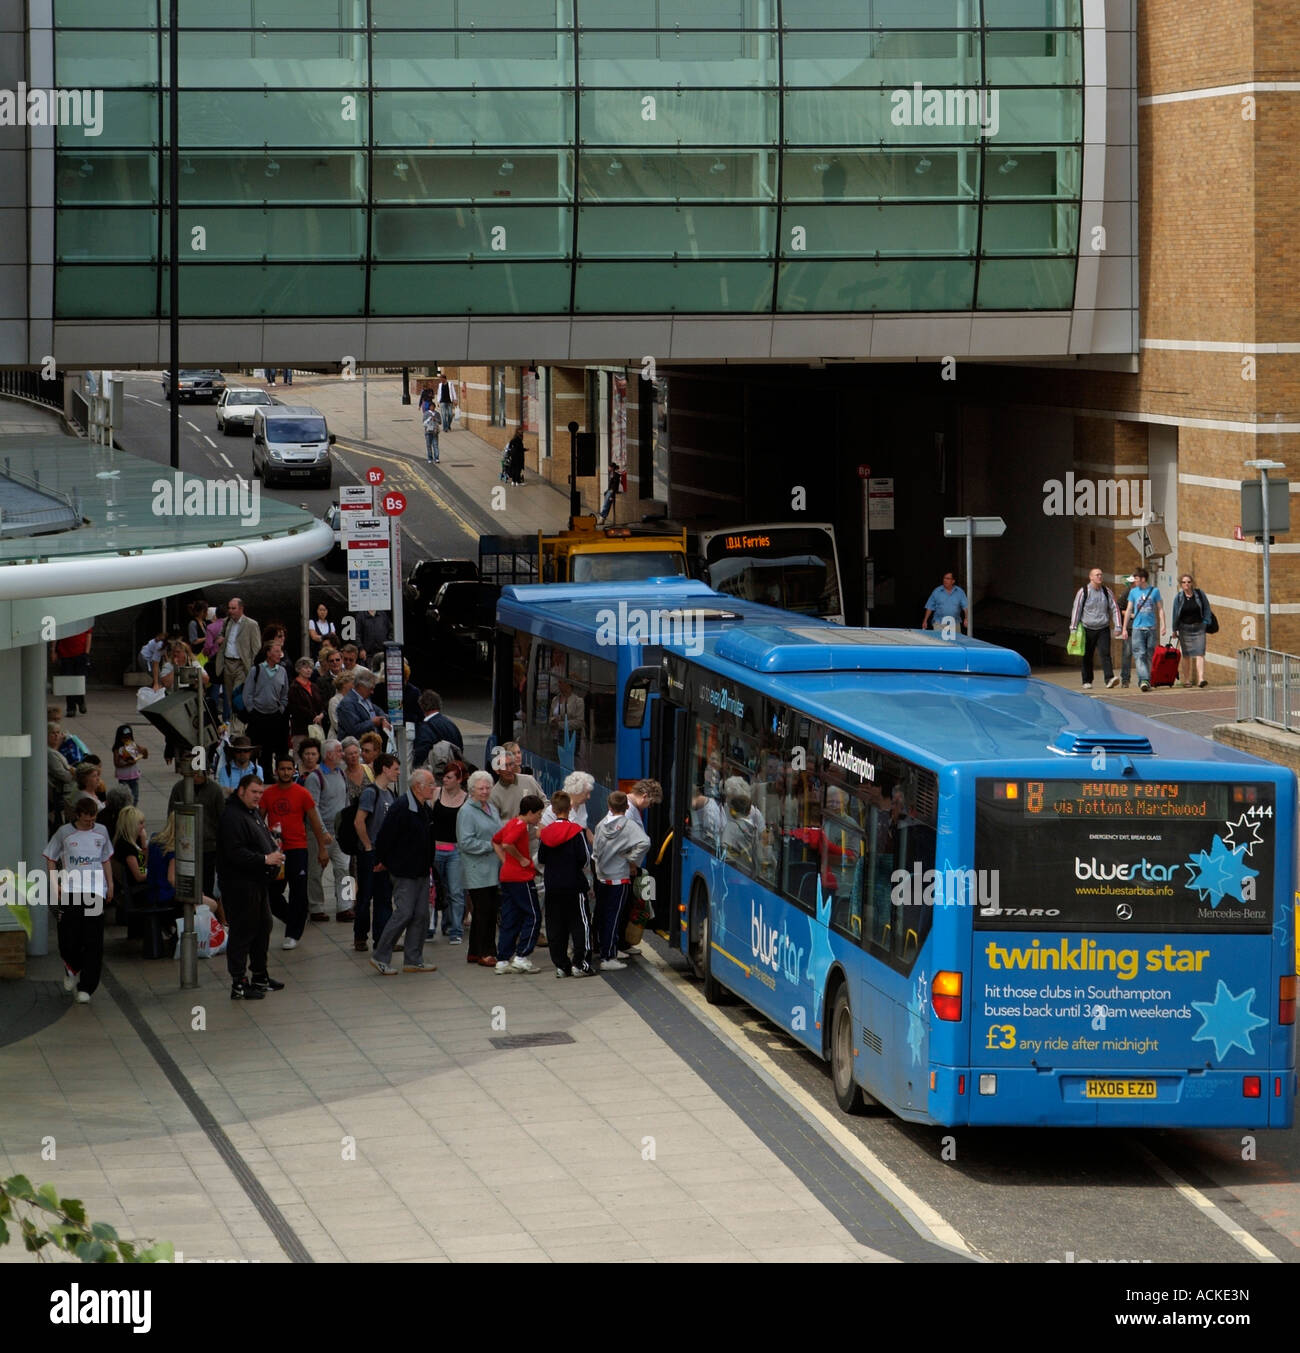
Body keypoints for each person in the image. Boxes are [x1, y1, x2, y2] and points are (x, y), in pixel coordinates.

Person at [217, 775, 285, 1001]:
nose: (258, 796)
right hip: (240, 885)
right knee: (243, 931)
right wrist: (265, 859)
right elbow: (235, 853)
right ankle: (239, 982)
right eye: (254, 792)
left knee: (263, 926)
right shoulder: (232, 817)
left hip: (257, 883)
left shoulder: (251, 812)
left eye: (260, 793)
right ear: (241, 791)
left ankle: (259, 975)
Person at [44, 794, 114, 1004]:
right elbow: (50, 856)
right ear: (77, 815)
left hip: (95, 890)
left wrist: (110, 884)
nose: (90, 823)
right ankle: (71, 967)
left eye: (93, 819)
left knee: (93, 940)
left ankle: (87, 986)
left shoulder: (101, 832)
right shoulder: (64, 833)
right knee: (68, 936)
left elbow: (105, 858)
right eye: (86, 820)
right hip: (71, 889)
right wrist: (54, 882)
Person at [370, 769, 439, 976]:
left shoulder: (424, 807)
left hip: (421, 870)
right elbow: (384, 837)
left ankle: (413, 959)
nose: (434, 788)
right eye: (431, 784)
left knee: (421, 915)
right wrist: (382, 860)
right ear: (418, 787)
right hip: (405, 871)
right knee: (404, 913)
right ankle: (381, 956)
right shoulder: (401, 807)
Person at [261, 754, 332, 951]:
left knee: (299, 893)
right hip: (277, 851)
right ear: (276, 771)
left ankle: (293, 933)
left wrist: (322, 849)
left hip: (298, 849)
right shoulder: (268, 794)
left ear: (294, 771)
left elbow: (315, 822)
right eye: (281, 769)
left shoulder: (302, 793)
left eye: (288, 769)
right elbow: (259, 821)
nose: (285, 772)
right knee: (272, 893)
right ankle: (293, 918)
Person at [591, 791, 650, 972]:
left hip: (603, 878)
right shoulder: (629, 826)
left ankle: (600, 947)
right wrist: (631, 859)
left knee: (601, 915)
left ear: (609, 807)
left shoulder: (601, 825)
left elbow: (596, 853)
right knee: (613, 918)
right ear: (626, 807)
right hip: (619, 878)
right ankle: (609, 956)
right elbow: (645, 842)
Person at [538, 790, 594, 978]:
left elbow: (543, 858)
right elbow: (585, 859)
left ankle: (562, 965)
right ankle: (581, 963)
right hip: (574, 885)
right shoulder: (576, 832)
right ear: (570, 808)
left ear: (552, 809)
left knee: (555, 926)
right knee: (580, 924)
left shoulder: (546, 833)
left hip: (553, 886)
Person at [301, 738, 355, 931]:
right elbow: (312, 808)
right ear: (329, 754)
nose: (342, 754)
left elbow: (346, 800)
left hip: (340, 833)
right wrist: (322, 832)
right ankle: (315, 907)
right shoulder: (315, 778)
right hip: (320, 835)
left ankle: (345, 906)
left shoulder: (340, 773)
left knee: (345, 870)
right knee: (315, 872)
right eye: (339, 751)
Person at [492, 793, 546, 974]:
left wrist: (506, 861)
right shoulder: (521, 826)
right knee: (534, 915)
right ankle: (522, 956)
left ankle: (502, 960)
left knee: (510, 917)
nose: (539, 818)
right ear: (530, 812)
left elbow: (496, 841)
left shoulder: (511, 823)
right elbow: (507, 844)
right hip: (521, 878)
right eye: (538, 814)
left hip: (507, 876)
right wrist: (521, 860)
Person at [355, 752, 399, 953]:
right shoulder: (371, 792)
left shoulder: (390, 793)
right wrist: (367, 846)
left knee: (384, 897)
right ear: (385, 769)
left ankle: (382, 938)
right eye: (395, 769)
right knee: (366, 896)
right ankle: (360, 936)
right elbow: (359, 821)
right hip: (370, 852)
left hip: (386, 853)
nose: (398, 772)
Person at [458, 770, 503, 967]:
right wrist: (491, 846)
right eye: (480, 788)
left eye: (487, 787)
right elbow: (466, 842)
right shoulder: (466, 812)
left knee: (485, 911)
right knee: (486, 912)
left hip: (492, 869)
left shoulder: (490, 807)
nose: (485, 791)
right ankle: (487, 952)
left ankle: (474, 952)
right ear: (472, 790)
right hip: (477, 870)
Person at [168, 766, 225, 898]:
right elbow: (171, 816)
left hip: (209, 848)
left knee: (207, 887)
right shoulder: (179, 788)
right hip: (185, 847)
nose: (194, 776)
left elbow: (222, 818)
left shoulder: (215, 790)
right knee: (188, 888)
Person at [430, 760, 468, 944]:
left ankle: (456, 929)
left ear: (459, 779)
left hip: (455, 851)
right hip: (436, 848)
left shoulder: (466, 799)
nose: (445, 780)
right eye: (444, 776)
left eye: (449, 777)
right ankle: (438, 925)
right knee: (437, 889)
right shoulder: (436, 794)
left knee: (455, 891)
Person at [243, 638, 290, 779]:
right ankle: (252, 775)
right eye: (276, 651)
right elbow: (248, 693)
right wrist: (251, 710)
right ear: (268, 653)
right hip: (257, 715)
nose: (279, 654)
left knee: (270, 747)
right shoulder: (256, 670)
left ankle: (268, 774)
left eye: (280, 651)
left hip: (274, 715)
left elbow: (285, 693)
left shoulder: (282, 671)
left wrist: (281, 708)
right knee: (256, 747)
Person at [1069, 567, 1122, 691]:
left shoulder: (1106, 591)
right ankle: (1087, 680)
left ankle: (1109, 678)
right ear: (1091, 577)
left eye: (1101, 575)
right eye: (1097, 575)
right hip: (1087, 628)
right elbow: (1076, 609)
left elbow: (1115, 608)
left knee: (1105, 653)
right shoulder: (1083, 592)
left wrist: (1118, 625)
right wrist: (1074, 628)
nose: (1099, 577)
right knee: (1088, 655)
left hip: (1103, 627)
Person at [212, 597, 262, 725]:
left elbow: (256, 648)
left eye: (233, 608)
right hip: (228, 663)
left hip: (242, 664)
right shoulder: (227, 622)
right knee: (228, 697)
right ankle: (232, 723)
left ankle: (239, 724)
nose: (230, 611)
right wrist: (219, 639)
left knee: (237, 695)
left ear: (241, 609)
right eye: (229, 608)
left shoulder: (251, 624)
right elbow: (220, 636)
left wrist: (254, 668)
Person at [1119, 567, 1166, 693]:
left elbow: (1160, 608)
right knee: (1139, 655)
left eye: (1136, 578)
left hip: (1151, 628)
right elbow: (1128, 610)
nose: (1134, 580)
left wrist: (1163, 625)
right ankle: (1144, 680)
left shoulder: (1154, 591)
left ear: (1143, 579)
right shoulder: (1133, 592)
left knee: (1149, 656)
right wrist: (1124, 628)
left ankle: (1145, 680)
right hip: (1137, 629)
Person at [1171, 573, 1214, 688]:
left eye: (1189, 582)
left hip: (1199, 627)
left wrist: (1205, 622)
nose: (1187, 584)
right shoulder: (1179, 597)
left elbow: (1207, 608)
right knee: (1186, 655)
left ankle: (1201, 679)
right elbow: (1175, 613)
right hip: (1184, 628)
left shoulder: (1199, 595)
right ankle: (1187, 680)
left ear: (1192, 583)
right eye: (1184, 582)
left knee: (1200, 653)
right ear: (1181, 584)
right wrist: (1174, 629)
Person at [490, 742, 544, 821]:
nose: (509, 769)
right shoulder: (493, 795)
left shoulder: (529, 780)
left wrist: (539, 819)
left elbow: (545, 803)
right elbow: (494, 823)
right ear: (497, 770)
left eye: (511, 764)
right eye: (504, 766)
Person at [412, 690, 464, 769]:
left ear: (422, 707)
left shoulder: (425, 727)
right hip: (454, 769)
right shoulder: (450, 724)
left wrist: (416, 767)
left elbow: (421, 752)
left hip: (437, 770)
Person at [335, 668, 391, 741]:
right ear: (361, 686)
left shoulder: (366, 699)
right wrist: (372, 722)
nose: (372, 692)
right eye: (370, 689)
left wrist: (383, 719)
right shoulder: (347, 704)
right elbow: (353, 729)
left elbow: (379, 711)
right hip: (355, 746)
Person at [52, 624, 92, 717]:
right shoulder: (63, 619)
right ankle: (71, 707)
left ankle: (80, 699)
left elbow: (88, 635)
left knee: (79, 680)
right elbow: (56, 634)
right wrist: (53, 650)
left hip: (80, 653)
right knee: (68, 681)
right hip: (65, 654)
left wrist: (86, 652)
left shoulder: (83, 620)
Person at [288, 657, 325, 741]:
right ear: (298, 669)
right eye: (305, 668)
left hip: (316, 727)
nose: (309, 670)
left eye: (310, 668)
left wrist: (321, 715)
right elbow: (296, 708)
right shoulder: (294, 687)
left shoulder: (314, 686)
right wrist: (314, 716)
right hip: (301, 728)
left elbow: (321, 704)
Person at [47, 723, 75, 832]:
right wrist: (74, 773)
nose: (56, 736)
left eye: (58, 733)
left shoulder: (55, 751)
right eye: (52, 733)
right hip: (57, 794)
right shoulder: (50, 753)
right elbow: (63, 775)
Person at [111, 724, 148, 806]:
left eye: (129, 737)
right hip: (123, 777)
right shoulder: (118, 749)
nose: (127, 739)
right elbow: (116, 763)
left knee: (135, 797)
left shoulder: (133, 745)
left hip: (133, 776)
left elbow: (145, 756)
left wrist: (144, 751)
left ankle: (133, 812)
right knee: (124, 798)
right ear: (119, 738)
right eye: (124, 738)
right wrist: (127, 763)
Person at [329, 671, 354, 738]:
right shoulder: (334, 701)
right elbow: (336, 723)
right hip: (338, 738)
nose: (354, 686)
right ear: (344, 684)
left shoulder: (353, 699)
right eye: (352, 683)